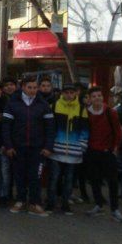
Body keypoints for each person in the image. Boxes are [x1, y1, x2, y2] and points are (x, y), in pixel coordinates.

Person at [2, 76, 55, 217]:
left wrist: (48, 147)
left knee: (35, 177)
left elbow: (50, 128)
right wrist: (9, 146)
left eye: (34, 87)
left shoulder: (43, 105)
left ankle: (34, 203)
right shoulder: (12, 104)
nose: (32, 90)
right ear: (23, 87)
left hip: (37, 148)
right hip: (18, 147)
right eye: (29, 87)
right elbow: (6, 127)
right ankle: (20, 201)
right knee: (19, 176)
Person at [45, 84, 89, 215]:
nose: (69, 95)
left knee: (69, 180)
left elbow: (85, 130)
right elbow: (48, 127)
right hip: (55, 149)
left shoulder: (81, 109)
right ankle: (51, 203)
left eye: (72, 92)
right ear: (62, 93)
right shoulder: (54, 106)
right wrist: (48, 145)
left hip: (74, 151)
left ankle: (65, 204)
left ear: (76, 93)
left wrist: (82, 146)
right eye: (66, 92)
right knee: (54, 178)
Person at [85, 87, 122, 221]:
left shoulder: (110, 112)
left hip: (107, 151)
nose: (97, 98)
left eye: (99, 95)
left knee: (112, 181)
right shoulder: (86, 113)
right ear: (89, 99)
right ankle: (98, 204)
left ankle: (115, 208)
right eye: (94, 96)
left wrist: (115, 148)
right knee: (94, 180)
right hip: (92, 151)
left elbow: (118, 131)